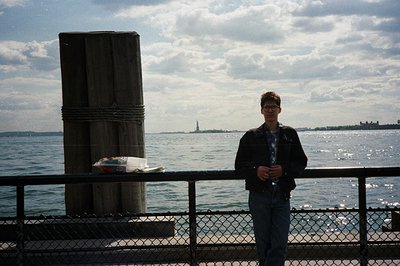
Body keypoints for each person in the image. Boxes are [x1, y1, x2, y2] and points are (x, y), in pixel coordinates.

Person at [235, 91, 308, 266]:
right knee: (263, 244)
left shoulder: (289, 134)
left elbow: (301, 162)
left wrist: (284, 170)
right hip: (259, 195)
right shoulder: (251, 136)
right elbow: (239, 166)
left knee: (279, 243)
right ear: (261, 110)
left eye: (273, 107)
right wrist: (256, 170)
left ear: (280, 110)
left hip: (282, 195)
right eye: (266, 107)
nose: (270, 110)